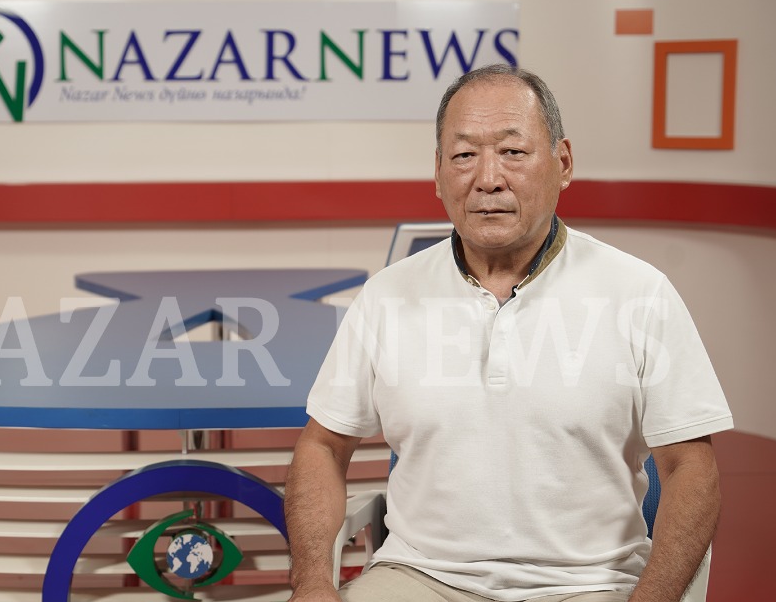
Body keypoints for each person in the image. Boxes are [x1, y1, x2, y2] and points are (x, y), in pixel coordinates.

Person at [284, 64, 733, 602]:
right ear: (437, 173)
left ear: (563, 163)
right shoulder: (387, 295)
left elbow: (691, 469)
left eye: (513, 152)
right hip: (422, 577)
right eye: (463, 155)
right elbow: (323, 447)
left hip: (589, 584)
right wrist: (313, 583)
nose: (488, 179)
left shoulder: (640, 293)